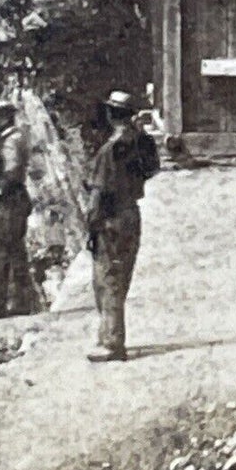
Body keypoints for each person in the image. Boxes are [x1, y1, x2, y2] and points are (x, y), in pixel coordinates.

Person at [85, 90, 160, 362]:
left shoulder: (110, 149)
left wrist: (91, 222)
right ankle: (108, 334)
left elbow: (99, 191)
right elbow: (152, 170)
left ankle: (113, 343)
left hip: (110, 217)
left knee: (107, 280)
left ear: (110, 114)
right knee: (120, 278)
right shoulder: (141, 142)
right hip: (131, 213)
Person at [0, 100, 37, 318]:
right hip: (14, 198)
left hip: (10, 198)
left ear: (4, 118)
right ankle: (20, 302)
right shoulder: (7, 138)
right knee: (14, 250)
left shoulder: (12, 140)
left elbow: (12, 172)